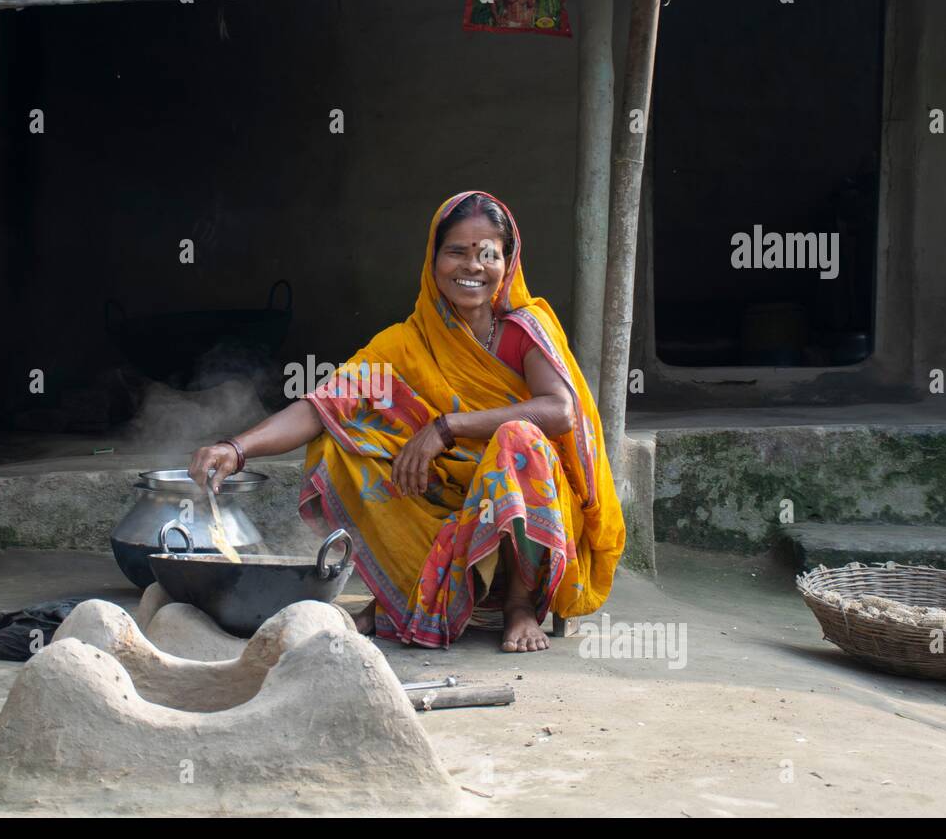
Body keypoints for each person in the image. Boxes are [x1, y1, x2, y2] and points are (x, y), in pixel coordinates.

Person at [189, 191, 625, 652]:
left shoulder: (524, 327)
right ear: (433, 260)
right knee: (342, 444)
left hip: (533, 499)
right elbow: (323, 405)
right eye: (456, 251)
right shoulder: (406, 341)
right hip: (452, 497)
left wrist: (447, 427)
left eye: (487, 254)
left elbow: (559, 411)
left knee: (520, 440)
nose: (471, 266)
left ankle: (519, 604)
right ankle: (402, 595)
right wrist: (235, 450)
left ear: (508, 261)